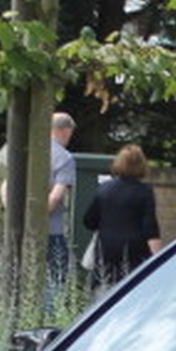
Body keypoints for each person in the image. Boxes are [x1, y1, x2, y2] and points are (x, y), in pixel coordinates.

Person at [80, 144, 162, 286]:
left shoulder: (104, 189)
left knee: (103, 291)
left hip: (105, 251)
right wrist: (159, 260)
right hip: (134, 254)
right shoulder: (144, 192)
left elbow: (89, 221)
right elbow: (150, 229)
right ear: (141, 165)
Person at [45, 111, 76, 309]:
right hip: (52, 232)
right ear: (65, 131)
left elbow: (5, 185)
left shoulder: (27, 150)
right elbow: (56, 196)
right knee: (54, 286)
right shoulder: (64, 158)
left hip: (19, 230)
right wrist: (37, 218)